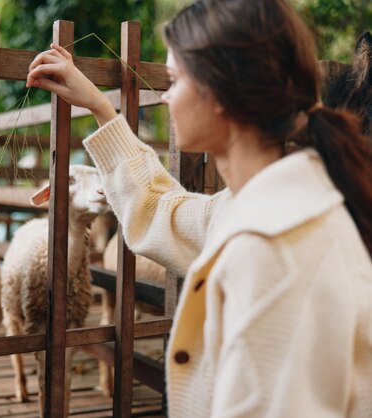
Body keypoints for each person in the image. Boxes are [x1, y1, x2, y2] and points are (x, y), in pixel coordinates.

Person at [26, 0, 372, 417]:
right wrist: (101, 109)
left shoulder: (276, 248)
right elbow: (165, 210)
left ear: (221, 93)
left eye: (175, 80)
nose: (168, 96)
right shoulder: (263, 208)